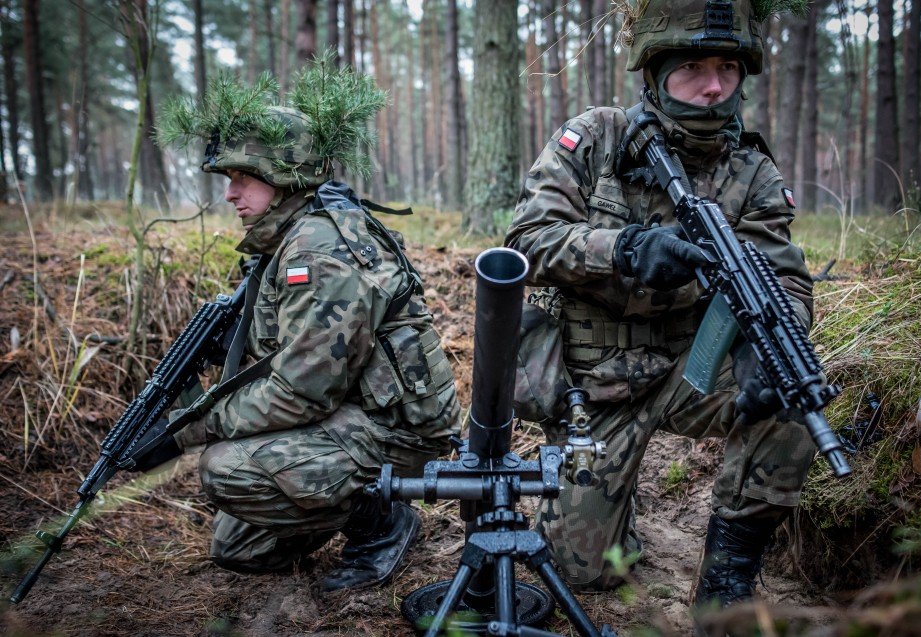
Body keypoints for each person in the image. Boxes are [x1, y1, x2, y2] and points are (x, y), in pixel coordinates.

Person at [506, 0, 817, 615]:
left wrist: (767, 345)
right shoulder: (596, 137)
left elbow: (787, 280)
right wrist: (620, 249)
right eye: (693, 67)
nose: (712, 86)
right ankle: (614, 507)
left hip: (689, 373)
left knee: (792, 402)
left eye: (728, 68)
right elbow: (526, 240)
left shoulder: (751, 171)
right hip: (594, 389)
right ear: (654, 71)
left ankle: (725, 593)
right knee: (580, 573)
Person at [139, 67, 461, 591]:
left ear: (282, 176)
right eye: (229, 181)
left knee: (225, 470)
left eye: (243, 178)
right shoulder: (289, 238)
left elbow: (302, 393)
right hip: (353, 407)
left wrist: (191, 427)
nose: (231, 195)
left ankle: (382, 522)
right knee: (238, 546)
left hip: (398, 429)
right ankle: (351, 503)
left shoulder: (317, 251)